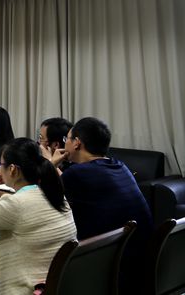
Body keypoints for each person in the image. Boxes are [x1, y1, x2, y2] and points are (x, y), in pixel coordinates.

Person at [0, 138, 76, 295]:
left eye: (1, 165)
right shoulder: (56, 195)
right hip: (55, 285)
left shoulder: (15, 204)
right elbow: (23, 214)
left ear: (12, 169)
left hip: (27, 289)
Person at [57, 117, 152, 294]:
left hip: (110, 268)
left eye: (66, 139)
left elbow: (39, 197)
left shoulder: (76, 173)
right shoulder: (119, 166)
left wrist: (50, 163)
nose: (65, 143)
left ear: (77, 143)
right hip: (140, 262)